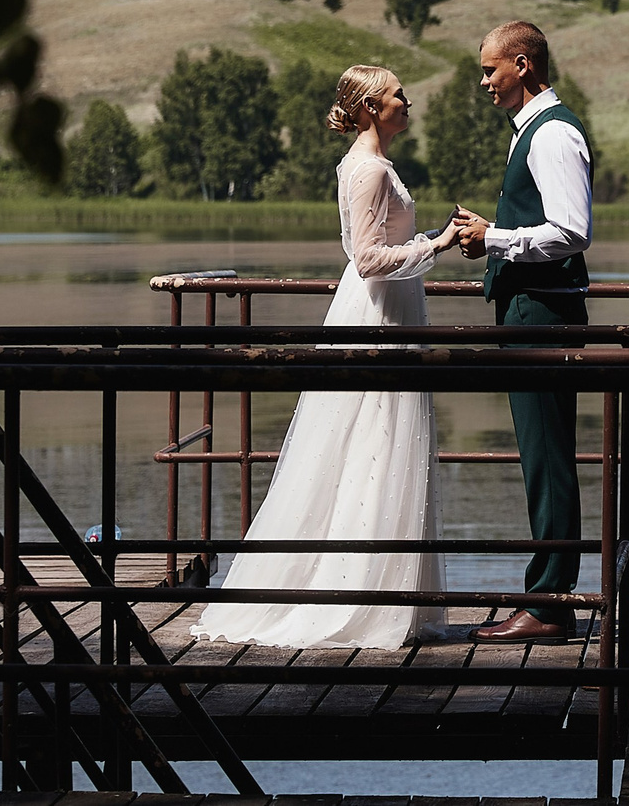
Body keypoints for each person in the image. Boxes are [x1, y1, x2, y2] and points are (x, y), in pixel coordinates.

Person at [192, 65, 455, 648]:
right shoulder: (369, 170)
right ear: (368, 109)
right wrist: (434, 243)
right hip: (378, 312)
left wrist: (423, 247)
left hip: (393, 309)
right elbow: (366, 259)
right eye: (397, 96)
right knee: (371, 439)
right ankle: (357, 594)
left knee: (382, 440)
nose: (407, 102)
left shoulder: (370, 165)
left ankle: (391, 594)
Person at [444, 19, 593, 643]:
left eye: (489, 69)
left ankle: (551, 604)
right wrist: (493, 232)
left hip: (544, 314)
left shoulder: (553, 134)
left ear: (522, 66)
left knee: (549, 461)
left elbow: (571, 231)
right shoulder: (531, 131)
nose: (484, 81)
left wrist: (496, 237)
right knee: (540, 459)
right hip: (530, 310)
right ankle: (546, 593)